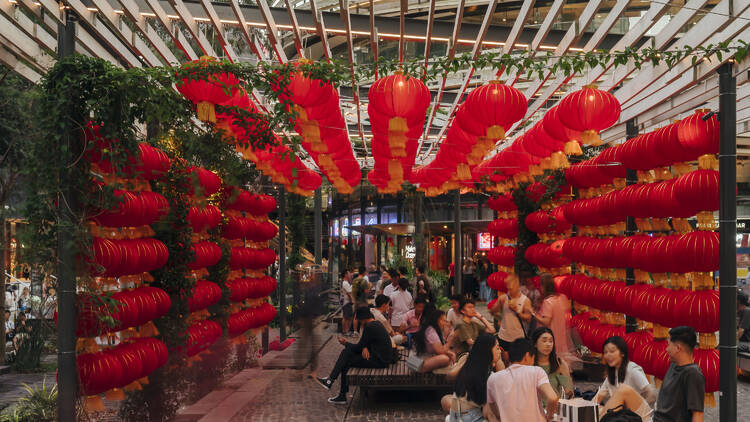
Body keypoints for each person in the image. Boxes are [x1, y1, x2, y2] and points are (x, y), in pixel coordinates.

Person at [316, 307, 395, 404]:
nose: (359, 323)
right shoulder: (375, 324)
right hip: (379, 358)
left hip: (379, 361)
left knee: (346, 358)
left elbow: (358, 347)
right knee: (346, 355)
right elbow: (365, 344)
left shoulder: (369, 327)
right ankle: (334, 385)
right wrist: (365, 347)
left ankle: (335, 386)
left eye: (359, 320)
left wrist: (345, 343)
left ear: (363, 318)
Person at [486, 338, 559, 422]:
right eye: (533, 358)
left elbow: (493, 406)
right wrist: (549, 416)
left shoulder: (493, 378)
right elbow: (552, 398)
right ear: (527, 356)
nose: (532, 362)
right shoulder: (536, 371)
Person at [441, 333, 505, 422]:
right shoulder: (488, 376)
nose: (500, 351)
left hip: (456, 415)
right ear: (487, 351)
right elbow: (488, 413)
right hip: (472, 416)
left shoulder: (476, 368)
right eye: (497, 348)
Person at [653, 326, 705, 422]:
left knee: (624, 391)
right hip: (655, 418)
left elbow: (698, 414)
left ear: (678, 348)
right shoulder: (673, 365)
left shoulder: (692, 374)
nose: (666, 349)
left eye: (668, 345)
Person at [534, 273, 577, 366]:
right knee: (563, 365)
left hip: (551, 338)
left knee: (553, 364)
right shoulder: (562, 297)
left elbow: (546, 321)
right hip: (562, 338)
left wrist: (534, 314)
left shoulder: (548, 302)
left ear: (543, 286)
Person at [532, 327, 573, 406]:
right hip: (534, 410)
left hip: (554, 410)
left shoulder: (559, 364)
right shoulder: (529, 364)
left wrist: (567, 379)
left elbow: (569, 391)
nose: (548, 344)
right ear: (535, 344)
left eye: (551, 341)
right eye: (544, 341)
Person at [491, 274, 533, 349]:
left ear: (517, 286)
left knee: (517, 359)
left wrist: (517, 311)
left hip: (518, 337)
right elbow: (493, 312)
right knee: (505, 359)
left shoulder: (525, 300)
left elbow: (528, 318)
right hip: (503, 336)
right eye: (508, 288)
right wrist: (497, 308)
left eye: (511, 288)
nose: (509, 291)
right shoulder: (503, 298)